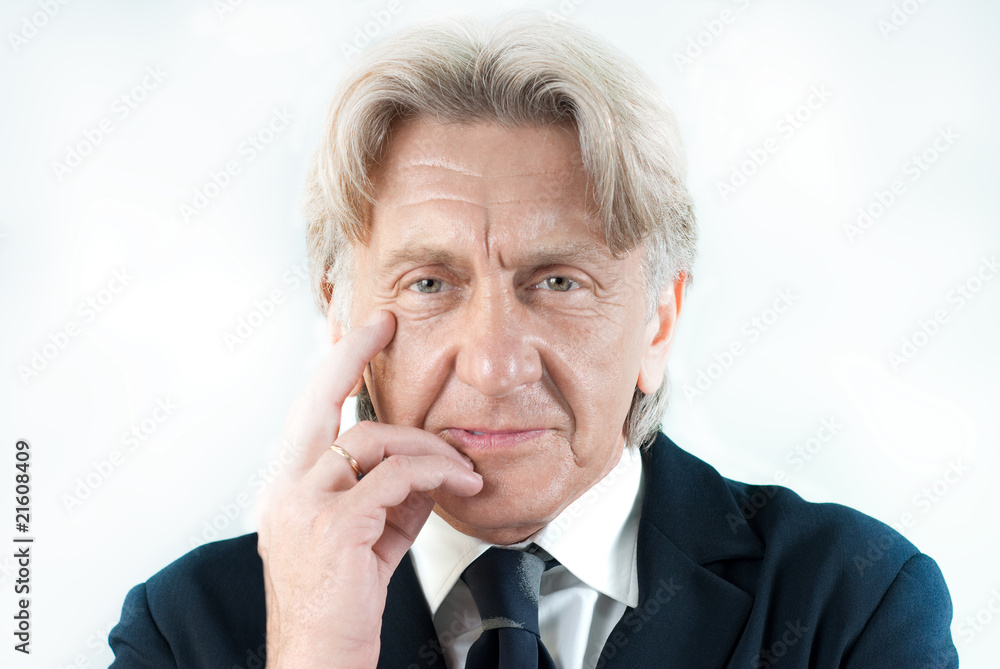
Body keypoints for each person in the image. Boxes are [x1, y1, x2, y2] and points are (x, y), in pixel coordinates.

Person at [108, 12, 958, 669]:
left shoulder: (853, 601)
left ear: (659, 321)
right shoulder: (188, 628)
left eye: (557, 282)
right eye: (430, 284)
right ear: (340, 320)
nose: (493, 364)